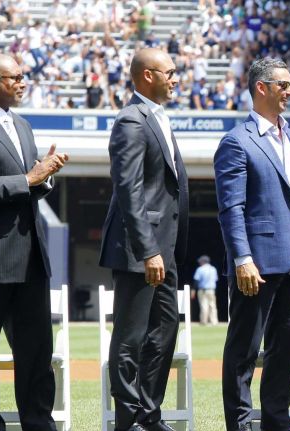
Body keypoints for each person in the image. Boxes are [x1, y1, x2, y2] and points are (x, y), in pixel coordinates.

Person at [215, 57, 290, 431]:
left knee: (285, 350)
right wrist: (242, 258)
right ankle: (241, 422)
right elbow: (231, 208)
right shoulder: (236, 142)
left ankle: (277, 419)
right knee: (244, 350)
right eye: (283, 85)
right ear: (261, 88)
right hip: (258, 264)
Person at [0, 53, 68, 431]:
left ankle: (39, 423)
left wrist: (44, 177)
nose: (23, 82)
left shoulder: (23, 125)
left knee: (37, 354)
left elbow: (27, 186)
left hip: (30, 259)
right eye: (16, 77)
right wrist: (28, 179)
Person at [99, 48, 189, 431]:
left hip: (165, 250)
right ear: (147, 76)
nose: (175, 78)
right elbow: (129, 192)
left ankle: (150, 414)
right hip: (142, 251)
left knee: (164, 333)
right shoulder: (131, 121)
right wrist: (148, 249)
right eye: (170, 72)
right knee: (130, 338)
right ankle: (128, 420)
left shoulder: (159, 117)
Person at [193, 255, 219, 325]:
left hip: (203, 290)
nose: (199, 263)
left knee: (204, 305)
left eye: (200, 261)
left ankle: (204, 321)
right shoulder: (213, 269)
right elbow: (216, 280)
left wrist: (193, 290)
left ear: (203, 262)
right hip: (212, 290)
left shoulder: (200, 269)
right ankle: (214, 321)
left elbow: (196, 281)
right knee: (213, 306)